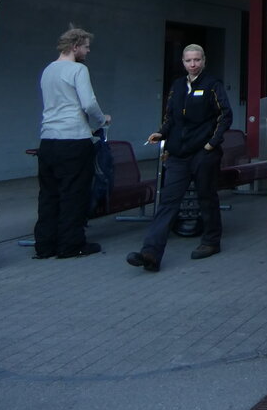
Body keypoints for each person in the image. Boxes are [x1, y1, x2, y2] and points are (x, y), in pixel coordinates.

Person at [127, 44, 232, 272]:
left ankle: (211, 241)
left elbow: (225, 115)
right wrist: (161, 133)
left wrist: (211, 144)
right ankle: (150, 253)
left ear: (204, 60)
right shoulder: (177, 86)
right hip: (178, 154)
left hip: (204, 153)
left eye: (197, 60)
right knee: (168, 201)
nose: (193, 64)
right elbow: (170, 117)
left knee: (206, 197)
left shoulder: (212, 85)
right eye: (188, 60)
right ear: (183, 62)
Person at [33, 27, 110, 259]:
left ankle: (44, 245)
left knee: (49, 194)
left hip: (48, 140)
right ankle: (71, 245)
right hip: (74, 140)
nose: (88, 51)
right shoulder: (78, 69)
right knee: (74, 194)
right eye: (86, 46)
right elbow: (88, 103)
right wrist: (102, 119)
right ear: (75, 47)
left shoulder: (48, 70)